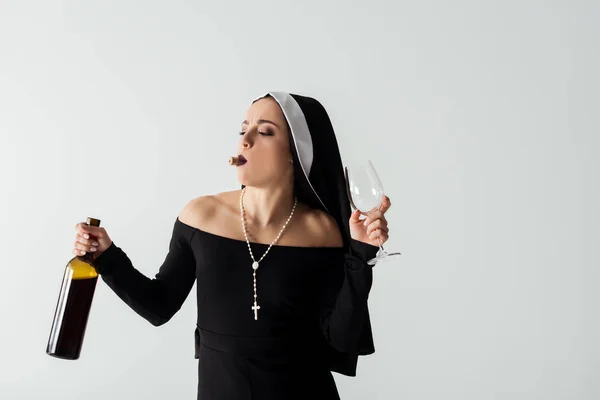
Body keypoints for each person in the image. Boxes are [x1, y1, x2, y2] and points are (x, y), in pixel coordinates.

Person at [72, 92, 392, 399]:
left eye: (264, 132)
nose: (245, 140)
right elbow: (159, 306)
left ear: (296, 152)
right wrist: (108, 258)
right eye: (243, 129)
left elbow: (341, 338)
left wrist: (360, 257)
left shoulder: (321, 230)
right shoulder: (201, 215)